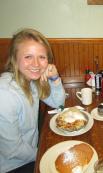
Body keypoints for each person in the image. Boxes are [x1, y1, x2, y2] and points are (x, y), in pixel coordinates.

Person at [0, 28, 66, 173]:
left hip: (31, 152)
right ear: (14, 58)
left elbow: (58, 104)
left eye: (42, 57)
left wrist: (54, 78)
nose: (36, 64)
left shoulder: (30, 81)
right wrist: (44, 154)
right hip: (13, 165)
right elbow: (12, 151)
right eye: (28, 56)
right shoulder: (5, 93)